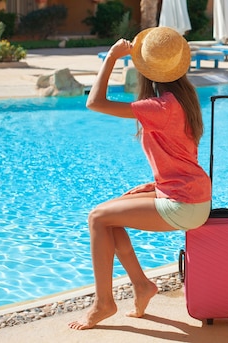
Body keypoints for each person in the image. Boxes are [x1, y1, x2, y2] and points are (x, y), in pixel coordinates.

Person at [68, 27, 211, 330]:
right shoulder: (181, 99)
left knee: (96, 217)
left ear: (146, 70)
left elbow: (94, 102)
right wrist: (156, 185)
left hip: (184, 203)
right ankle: (142, 286)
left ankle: (103, 304)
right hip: (189, 194)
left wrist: (111, 58)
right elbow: (182, 156)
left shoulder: (161, 106)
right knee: (112, 214)